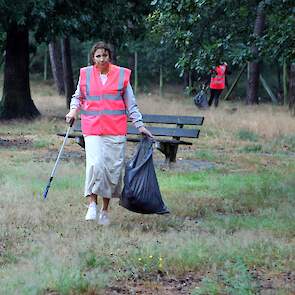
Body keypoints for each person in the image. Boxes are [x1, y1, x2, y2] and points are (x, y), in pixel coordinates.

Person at [65, 41, 152, 225]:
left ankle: (105, 210)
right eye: (98, 56)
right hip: (93, 128)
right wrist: (73, 111)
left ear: (109, 57)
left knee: (112, 172)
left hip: (115, 130)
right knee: (95, 166)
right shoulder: (86, 74)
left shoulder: (121, 75)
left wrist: (140, 125)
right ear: (93, 58)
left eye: (104, 55)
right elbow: (78, 97)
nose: (101, 59)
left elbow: (131, 103)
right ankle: (91, 204)